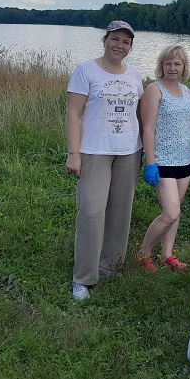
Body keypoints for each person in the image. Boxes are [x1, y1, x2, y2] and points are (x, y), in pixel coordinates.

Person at [66, 20, 143, 301]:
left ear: (130, 47)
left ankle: (111, 263)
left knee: (121, 209)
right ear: (105, 40)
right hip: (94, 150)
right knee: (91, 211)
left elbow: (141, 115)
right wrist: (74, 153)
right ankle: (83, 277)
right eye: (115, 39)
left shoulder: (135, 75)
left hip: (129, 151)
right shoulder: (86, 71)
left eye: (126, 42)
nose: (119, 46)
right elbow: (73, 114)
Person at [135, 44, 190, 273]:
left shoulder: (186, 90)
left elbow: (186, 126)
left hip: (185, 160)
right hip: (163, 161)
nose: (172, 68)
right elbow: (148, 129)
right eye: (168, 63)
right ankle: (143, 253)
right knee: (170, 212)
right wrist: (151, 163)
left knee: (176, 211)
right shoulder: (154, 89)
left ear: (183, 67)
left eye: (177, 64)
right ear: (161, 65)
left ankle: (167, 255)